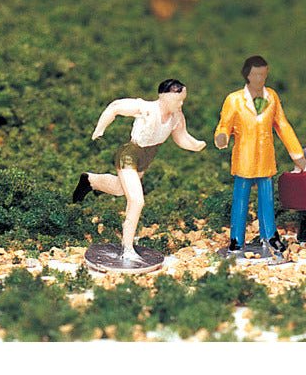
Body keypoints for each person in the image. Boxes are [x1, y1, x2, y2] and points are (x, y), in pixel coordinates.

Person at [73, 79, 206, 263]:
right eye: (178, 100)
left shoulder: (177, 117)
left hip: (146, 159)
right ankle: (127, 249)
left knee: (120, 189)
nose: (181, 104)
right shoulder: (147, 109)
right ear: (165, 97)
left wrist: (197, 145)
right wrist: (100, 128)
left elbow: (182, 137)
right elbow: (115, 107)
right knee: (136, 201)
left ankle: (90, 181)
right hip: (129, 155)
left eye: (183, 100)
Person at [214, 55, 306, 255]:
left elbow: (282, 126)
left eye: (263, 74)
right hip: (244, 159)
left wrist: (297, 156)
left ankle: (270, 237)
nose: (260, 78)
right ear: (247, 75)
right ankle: (236, 240)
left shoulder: (272, 97)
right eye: (256, 74)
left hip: (265, 159)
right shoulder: (234, 99)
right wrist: (222, 137)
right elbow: (224, 124)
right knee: (240, 200)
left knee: (267, 201)